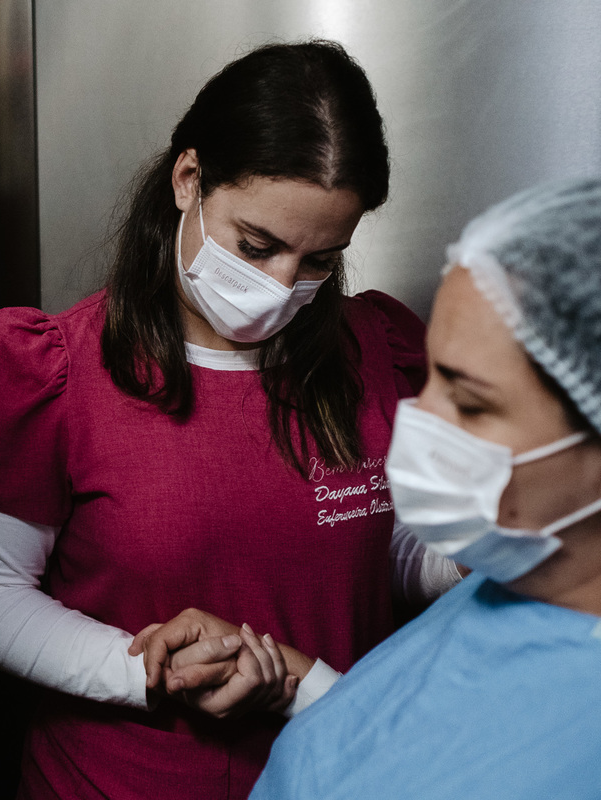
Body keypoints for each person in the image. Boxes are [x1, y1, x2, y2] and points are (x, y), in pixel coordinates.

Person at [0, 39, 459, 800]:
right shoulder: (59, 372)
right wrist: (145, 669)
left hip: (334, 774)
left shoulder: (376, 351)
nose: (283, 287)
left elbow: (384, 545)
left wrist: (466, 564)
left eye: (319, 261)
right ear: (189, 181)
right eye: (258, 245)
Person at [248, 177, 601, 799]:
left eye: (470, 403)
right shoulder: (517, 586)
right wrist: (304, 689)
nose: (420, 417)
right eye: (432, 375)